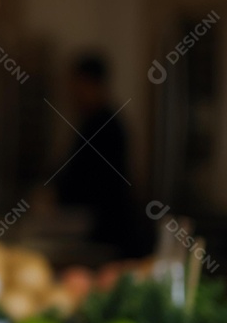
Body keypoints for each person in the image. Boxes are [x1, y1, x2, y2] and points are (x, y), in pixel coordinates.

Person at [55, 54, 153, 258]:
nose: (72, 93)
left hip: (112, 231)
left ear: (90, 83)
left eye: (76, 85)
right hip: (105, 226)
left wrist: (55, 194)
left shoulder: (104, 125)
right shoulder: (95, 121)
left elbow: (90, 180)